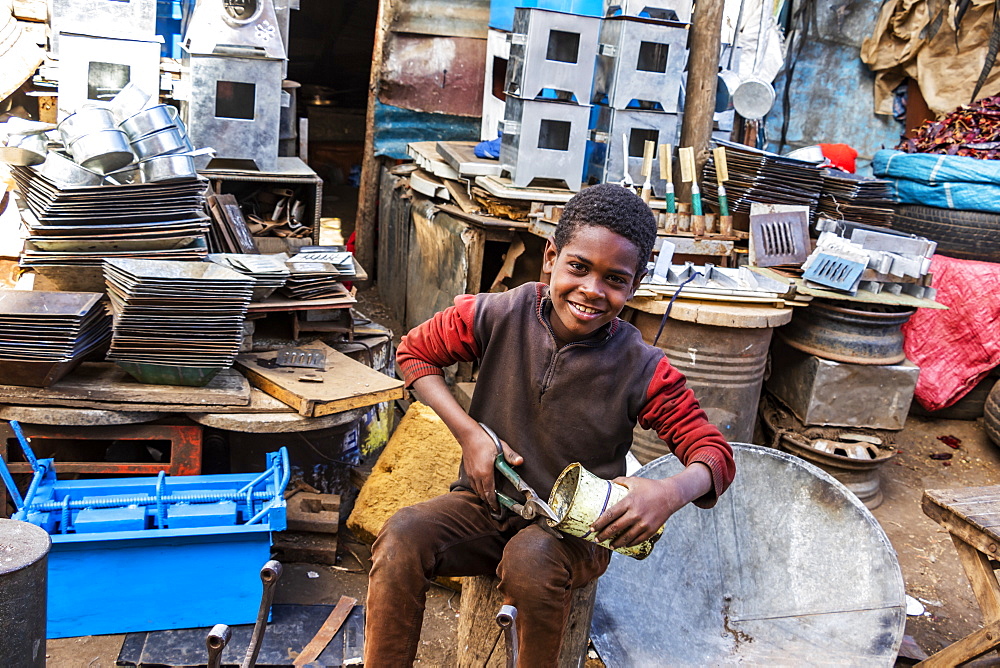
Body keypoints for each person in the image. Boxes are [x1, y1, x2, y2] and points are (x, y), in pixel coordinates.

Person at [364, 183, 736, 666]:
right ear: (551, 257)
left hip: (573, 536)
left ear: (634, 286)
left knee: (532, 559)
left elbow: (715, 454)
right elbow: (415, 354)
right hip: (487, 508)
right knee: (402, 534)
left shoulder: (642, 367)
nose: (591, 290)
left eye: (614, 280)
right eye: (578, 267)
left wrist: (668, 493)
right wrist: (469, 433)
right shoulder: (499, 313)